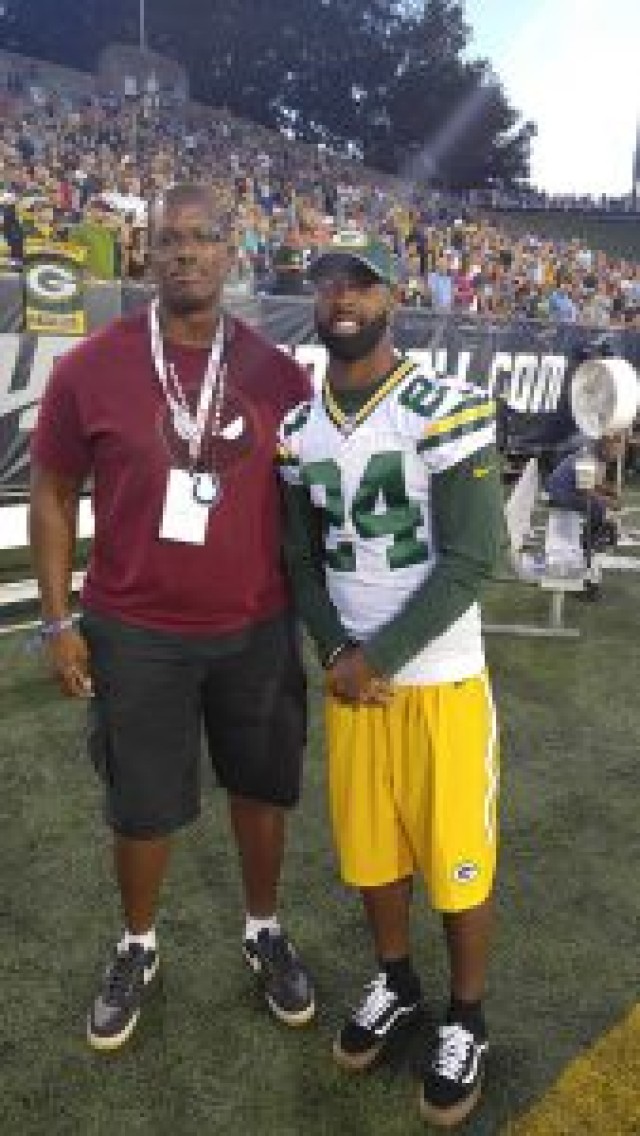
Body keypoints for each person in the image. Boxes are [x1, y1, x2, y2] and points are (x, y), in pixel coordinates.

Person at [29, 181, 315, 1053]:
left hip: (257, 624)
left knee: (262, 788)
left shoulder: (276, 370)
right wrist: (55, 621)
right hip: (134, 628)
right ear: (147, 253)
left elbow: (313, 497)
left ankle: (262, 927)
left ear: (233, 251)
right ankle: (137, 945)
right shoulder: (91, 366)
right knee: (141, 804)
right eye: (169, 239)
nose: (185, 252)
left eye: (203, 237)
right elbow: (51, 490)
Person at [277, 233, 503, 1128]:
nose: (342, 297)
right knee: (371, 852)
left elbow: (475, 556)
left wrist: (378, 655)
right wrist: (337, 651)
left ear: (392, 299)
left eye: (360, 284)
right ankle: (399, 983)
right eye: (329, 283)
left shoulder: (444, 405)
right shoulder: (298, 429)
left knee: (456, 861)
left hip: (440, 678)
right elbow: (298, 557)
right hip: (352, 681)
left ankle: (468, 1017)